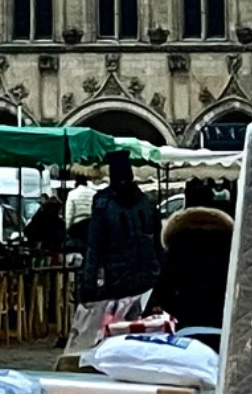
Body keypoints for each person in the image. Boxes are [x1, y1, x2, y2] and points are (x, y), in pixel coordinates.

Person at [71, 149, 160, 355]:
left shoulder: (106, 204)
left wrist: (88, 286)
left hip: (123, 282)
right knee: (141, 335)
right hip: (143, 279)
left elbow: (95, 247)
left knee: (121, 336)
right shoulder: (145, 203)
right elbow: (157, 244)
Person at [151, 188, 234, 337]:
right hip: (222, 324)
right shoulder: (227, 245)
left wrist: (177, 309)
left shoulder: (177, 244)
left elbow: (163, 292)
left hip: (188, 324)